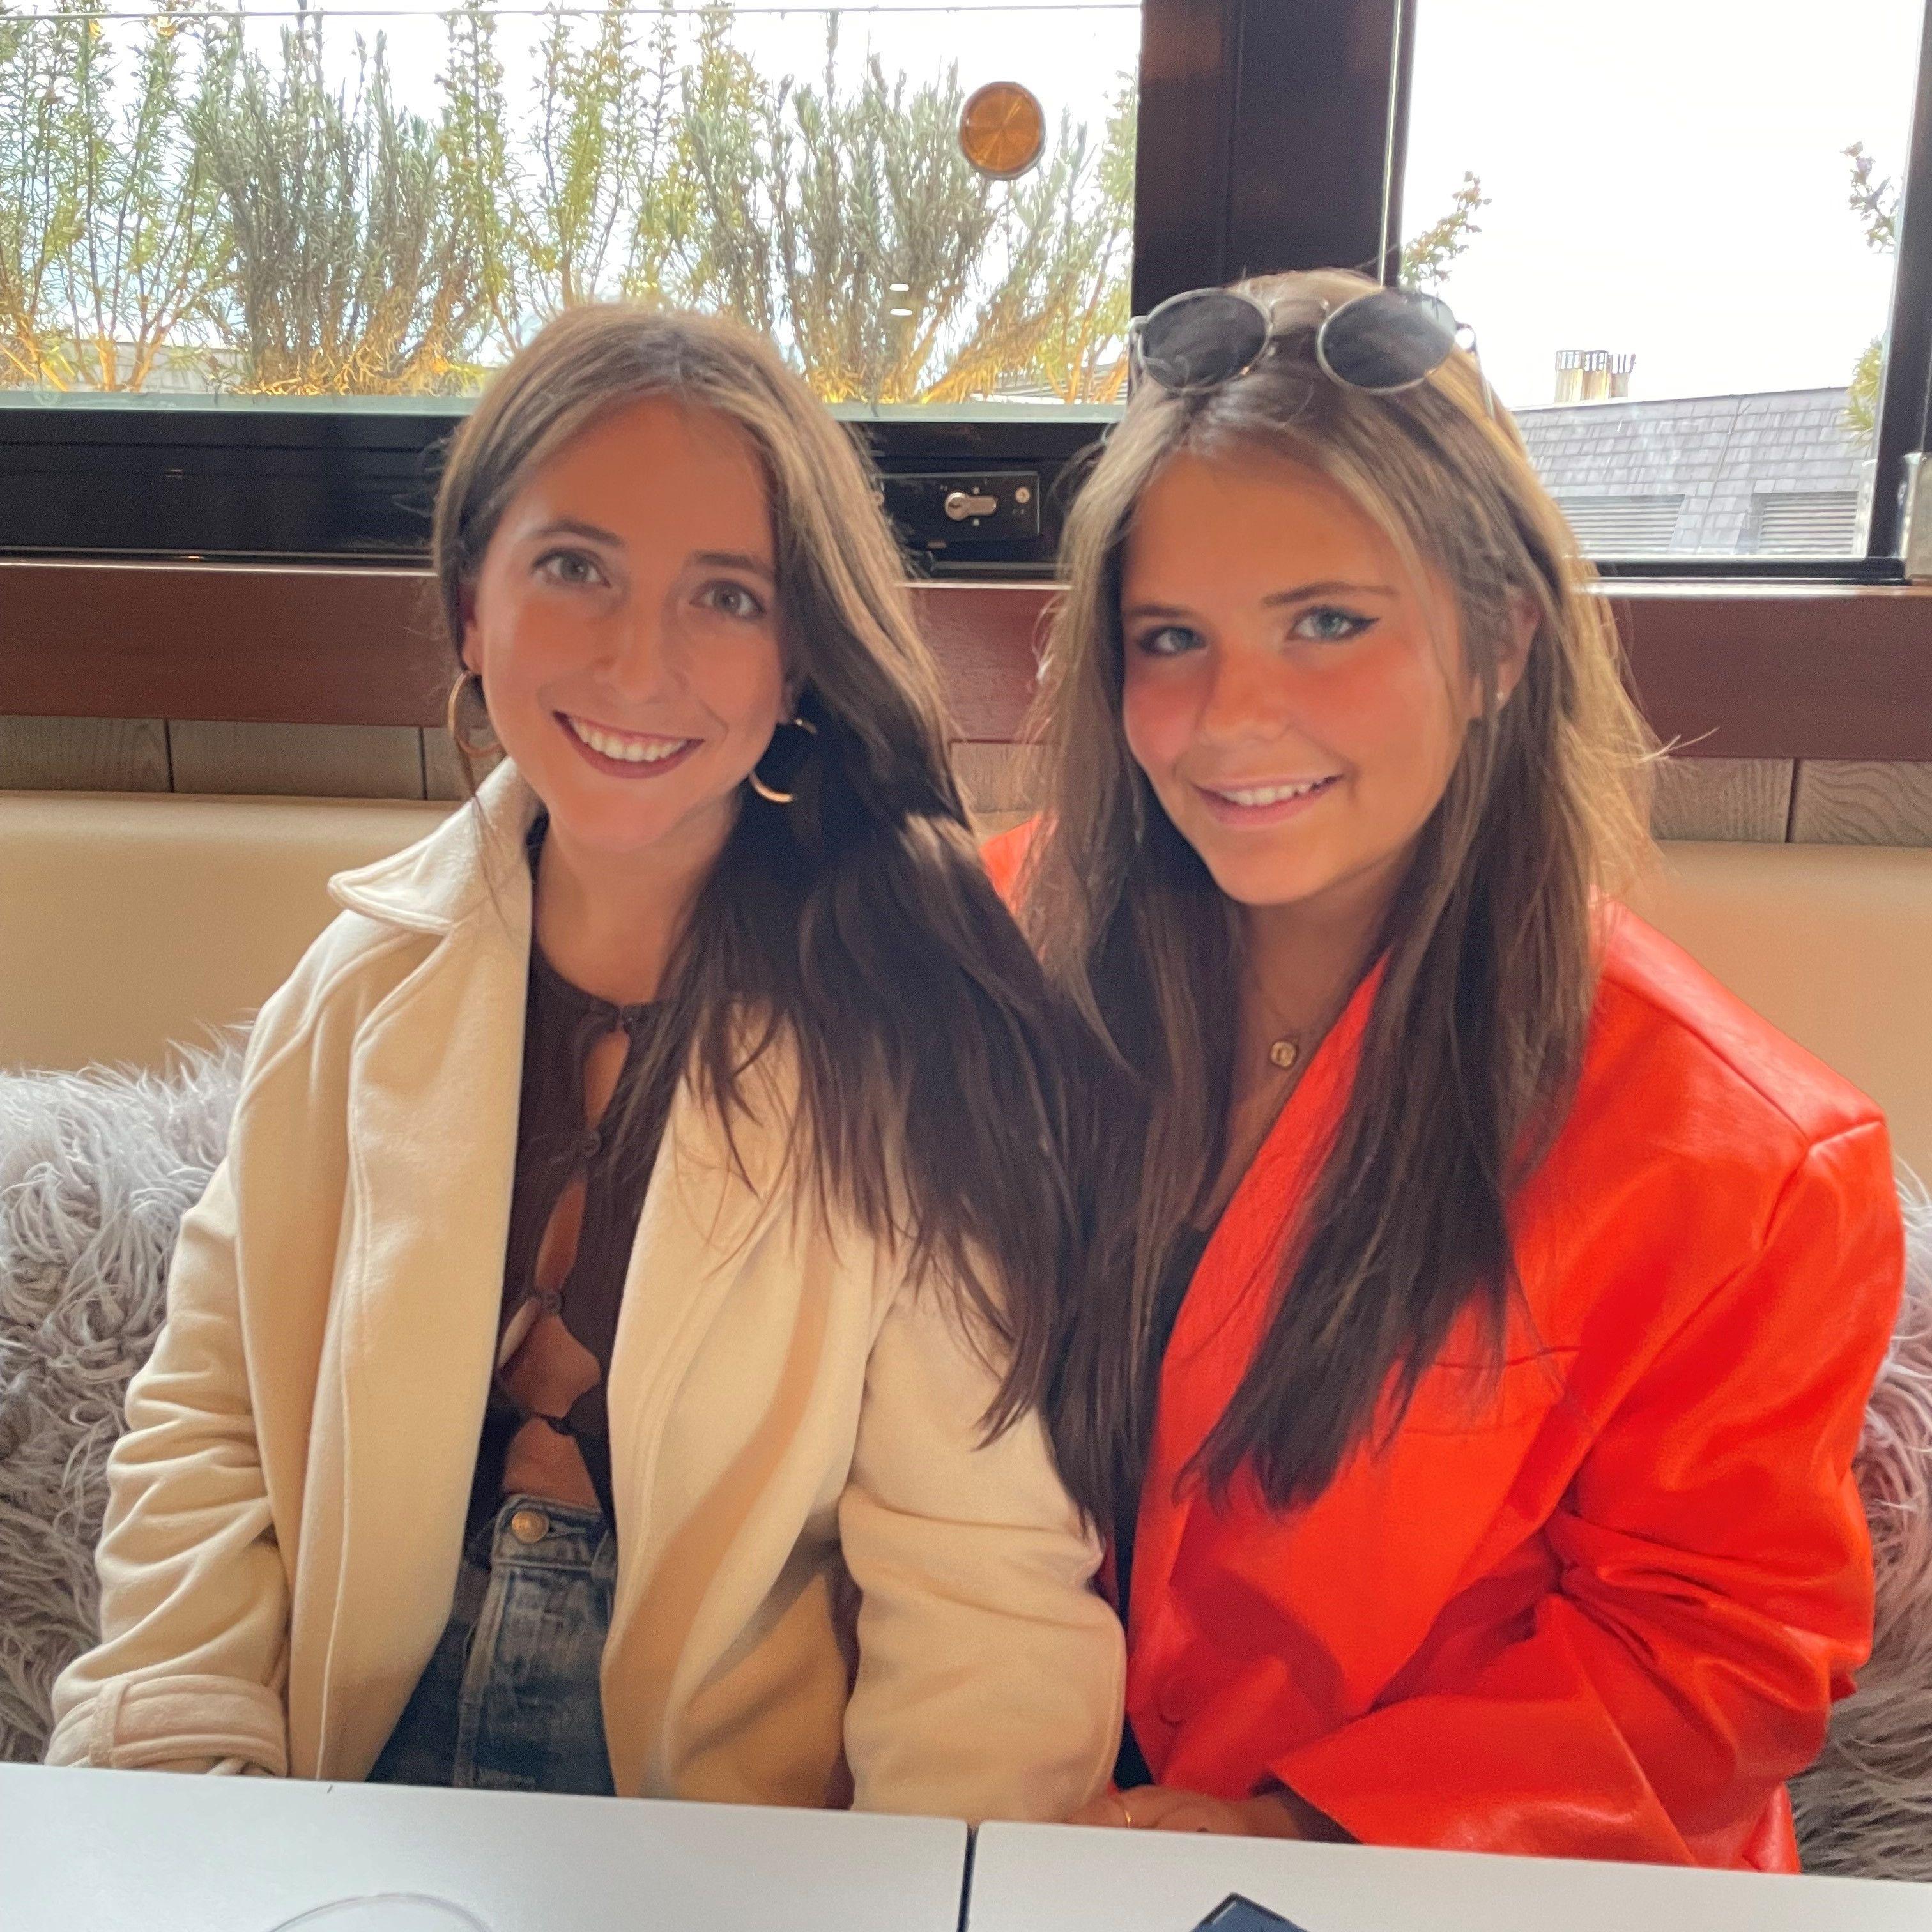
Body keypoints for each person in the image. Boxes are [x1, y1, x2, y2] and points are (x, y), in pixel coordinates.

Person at [49, 305, 1122, 1818]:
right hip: (344, 1767)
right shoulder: (355, 990)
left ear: (799, 661)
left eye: (727, 596)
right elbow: (210, 1418)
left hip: (737, 1837)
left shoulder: (921, 1028)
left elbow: (979, 1581)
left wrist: (940, 1894)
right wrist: (184, 1779)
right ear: (470, 610)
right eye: (574, 569)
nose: (638, 661)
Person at [986, 268, 1904, 1867]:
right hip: (1024, 1824)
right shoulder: (997, 952)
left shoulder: (1751, 1167)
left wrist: (1295, 1833)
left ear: (1499, 643)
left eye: (1328, 624)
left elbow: (1720, 1656)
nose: (1231, 716)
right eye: (1172, 638)